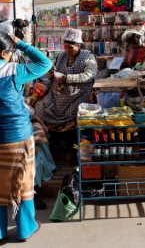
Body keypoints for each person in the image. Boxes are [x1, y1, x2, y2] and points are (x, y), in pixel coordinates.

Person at [0, 31, 52, 241]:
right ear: (4, 52)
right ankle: (25, 228)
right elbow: (45, 63)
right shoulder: (14, 70)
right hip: (17, 136)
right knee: (22, 182)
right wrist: (20, 43)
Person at [34, 28, 97, 163]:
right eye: (66, 46)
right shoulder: (62, 56)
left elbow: (89, 75)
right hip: (58, 94)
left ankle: (74, 153)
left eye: (71, 47)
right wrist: (50, 72)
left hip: (78, 95)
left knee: (74, 116)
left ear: (79, 46)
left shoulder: (88, 57)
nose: (67, 50)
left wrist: (68, 78)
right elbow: (51, 74)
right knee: (40, 107)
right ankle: (52, 150)